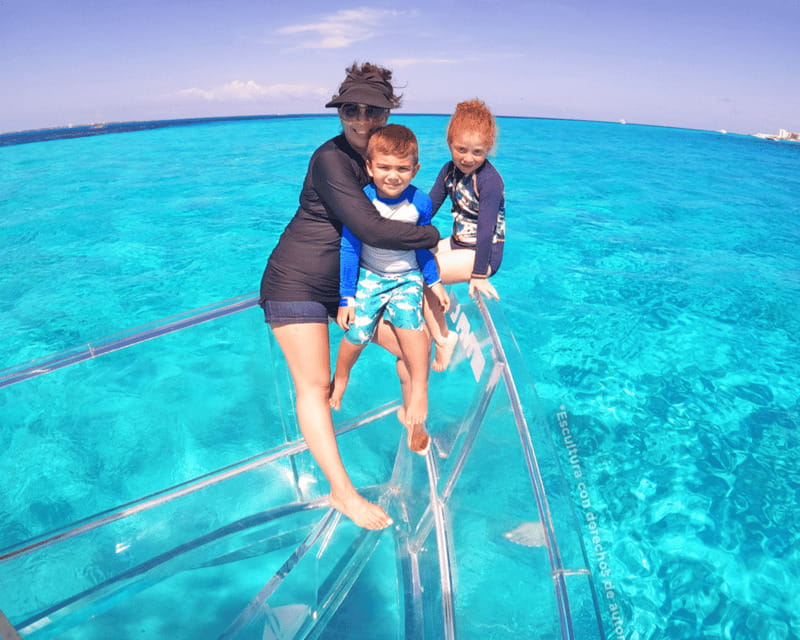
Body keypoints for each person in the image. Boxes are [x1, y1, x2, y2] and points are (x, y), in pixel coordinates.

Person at [259, 63, 440, 530]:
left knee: (412, 350)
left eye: (372, 111)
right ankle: (342, 492)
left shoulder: (380, 158)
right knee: (316, 385)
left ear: (387, 113)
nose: (361, 120)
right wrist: (430, 237)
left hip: (348, 289)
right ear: (339, 112)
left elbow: (409, 204)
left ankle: (413, 421)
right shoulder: (331, 160)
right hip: (296, 281)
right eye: (350, 110)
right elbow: (369, 228)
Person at [329, 124, 449, 456]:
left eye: (402, 168)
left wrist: (434, 282)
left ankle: (419, 390)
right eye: (384, 167)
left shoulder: (420, 203)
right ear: (369, 167)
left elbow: (422, 247)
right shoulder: (363, 201)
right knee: (357, 333)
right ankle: (342, 376)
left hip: (407, 277)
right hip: (371, 276)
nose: (393, 176)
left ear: (415, 169)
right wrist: (346, 297)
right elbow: (350, 248)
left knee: (413, 328)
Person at [425, 99, 506, 371]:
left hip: (484, 254)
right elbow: (430, 206)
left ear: (488, 149)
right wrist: (402, 231)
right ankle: (430, 318)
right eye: (461, 149)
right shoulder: (449, 170)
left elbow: (486, 231)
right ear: (450, 143)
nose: (468, 158)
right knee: (410, 259)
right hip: (459, 243)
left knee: (424, 274)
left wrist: (479, 274)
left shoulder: (490, 181)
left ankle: (444, 338)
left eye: (477, 152)